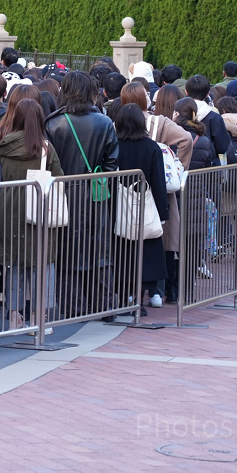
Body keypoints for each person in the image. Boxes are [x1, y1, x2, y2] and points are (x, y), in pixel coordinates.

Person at [45, 71, 120, 318]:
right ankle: (106, 304)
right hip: (96, 192)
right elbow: (111, 163)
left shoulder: (53, 123)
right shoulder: (105, 123)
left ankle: (72, 307)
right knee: (100, 248)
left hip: (63, 193)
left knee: (67, 250)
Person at [0, 98, 64, 330]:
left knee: (14, 265)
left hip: (8, 211)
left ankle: (14, 315)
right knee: (42, 263)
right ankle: (38, 316)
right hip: (39, 212)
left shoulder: (3, 147)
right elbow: (59, 178)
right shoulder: (46, 149)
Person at [113, 104, 170, 311]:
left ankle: (126, 292)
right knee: (150, 246)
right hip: (147, 206)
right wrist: (163, 212)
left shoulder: (114, 145)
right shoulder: (152, 147)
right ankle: (152, 291)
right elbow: (158, 181)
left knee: (123, 249)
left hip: (120, 207)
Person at [185, 75, 230, 157]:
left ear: (186, 92)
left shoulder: (178, 114)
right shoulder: (215, 117)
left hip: (183, 162)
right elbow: (222, 147)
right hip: (209, 165)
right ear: (208, 94)